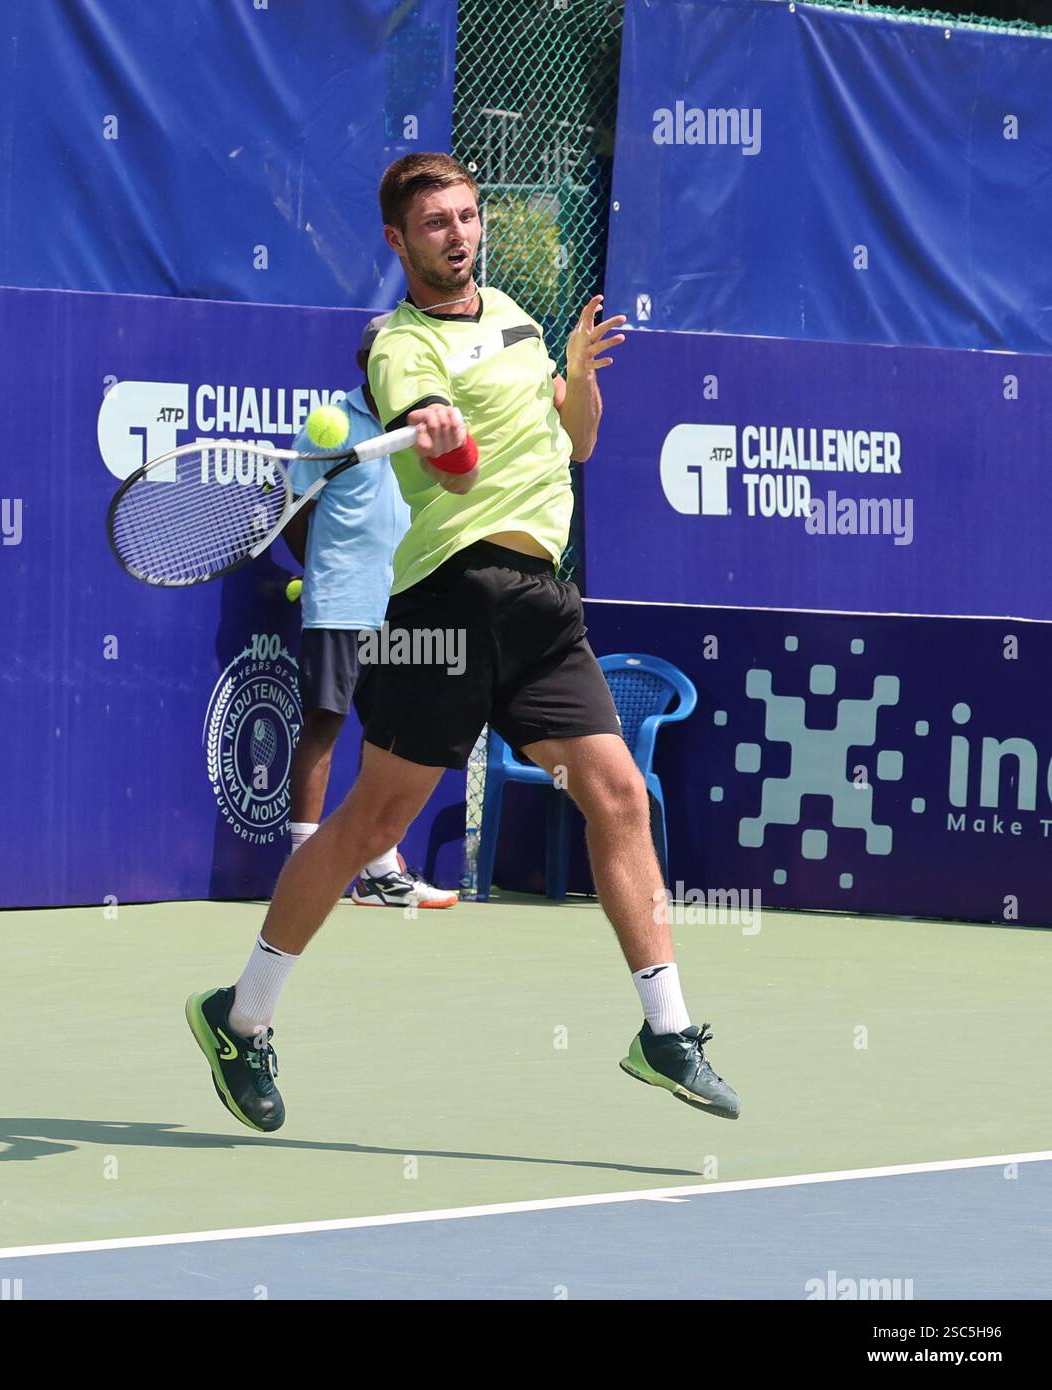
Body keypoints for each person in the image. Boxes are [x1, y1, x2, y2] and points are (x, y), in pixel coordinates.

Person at [186, 151, 741, 1132]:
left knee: (615, 793)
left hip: (540, 603)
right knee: (367, 829)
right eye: (435, 221)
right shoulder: (399, 345)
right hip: (444, 606)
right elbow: (447, 470)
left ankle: (665, 1029)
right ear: (399, 241)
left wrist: (574, 376)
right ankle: (243, 1016)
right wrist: (439, 431)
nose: (457, 231)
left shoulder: (521, 319)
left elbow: (577, 443)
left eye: (467, 214)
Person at [281, 315, 458, 910]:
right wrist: (327, 574)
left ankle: (380, 872)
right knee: (325, 726)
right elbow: (296, 510)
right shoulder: (330, 423)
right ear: (366, 365)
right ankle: (304, 870)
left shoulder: (425, 424)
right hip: (339, 604)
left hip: (401, 603)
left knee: (390, 739)